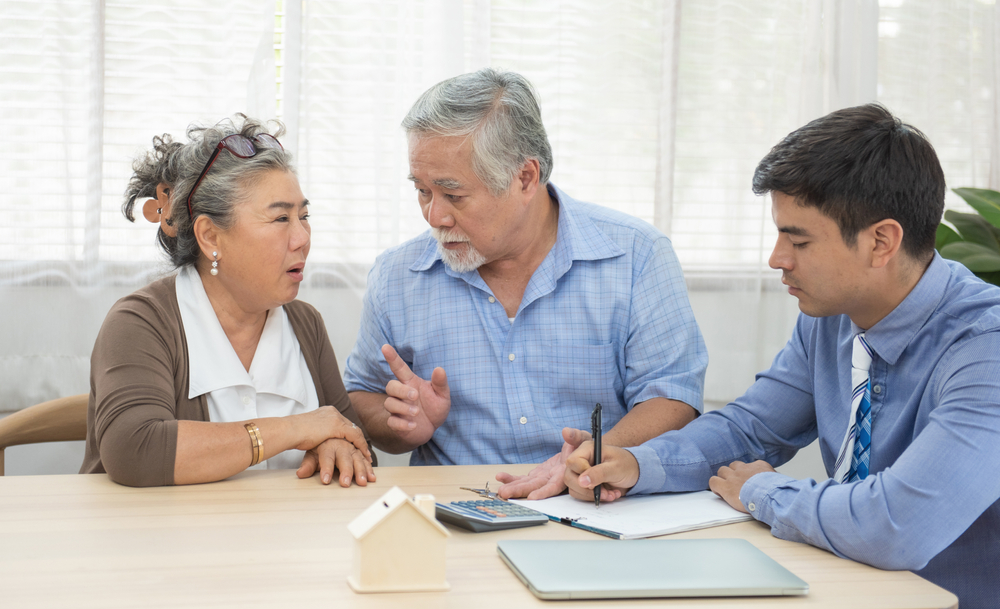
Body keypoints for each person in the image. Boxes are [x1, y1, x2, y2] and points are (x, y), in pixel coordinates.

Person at [563, 104, 1000, 607]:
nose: (777, 259)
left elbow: (896, 526)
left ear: (882, 241)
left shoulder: (984, 348)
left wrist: (764, 492)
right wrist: (637, 464)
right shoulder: (831, 316)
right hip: (844, 588)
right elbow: (750, 429)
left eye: (799, 240)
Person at [342, 68, 707, 499]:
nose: (434, 216)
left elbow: (674, 396)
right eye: (422, 191)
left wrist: (598, 454)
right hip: (459, 508)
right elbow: (362, 396)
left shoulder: (636, 256)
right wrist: (401, 425)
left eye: (453, 195)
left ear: (526, 178)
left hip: (593, 500)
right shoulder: (396, 276)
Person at [80, 116, 376, 488]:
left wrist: (337, 445)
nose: (302, 238)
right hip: (157, 541)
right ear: (210, 236)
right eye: (281, 217)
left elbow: (353, 441)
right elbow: (135, 451)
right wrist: (295, 430)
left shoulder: (305, 323)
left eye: (304, 216)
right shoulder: (140, 322)